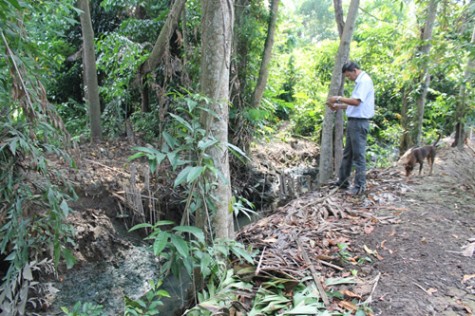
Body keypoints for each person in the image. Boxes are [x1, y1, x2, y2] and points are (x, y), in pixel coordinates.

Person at [327, 61, 375, 195]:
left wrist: (338, 98)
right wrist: (339, 107)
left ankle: (360, 186)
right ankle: (343, 181)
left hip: (359, 123)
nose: (349, 78)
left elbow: (356, 101)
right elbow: (356, 106)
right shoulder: (360, 82)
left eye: (349, 76)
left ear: (354, 70)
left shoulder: (364, 81)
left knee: (358, 155)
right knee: (348, 153)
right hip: (354, 122)